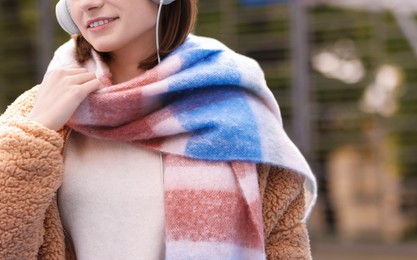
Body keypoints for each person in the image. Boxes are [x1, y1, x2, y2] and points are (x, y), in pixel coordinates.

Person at [0, 0, 317, 259]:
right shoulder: (40, 111)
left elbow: (284, 245)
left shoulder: (236, 109)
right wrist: (34, 132)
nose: (90, 4)